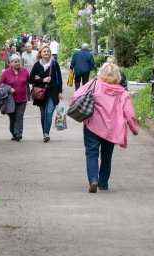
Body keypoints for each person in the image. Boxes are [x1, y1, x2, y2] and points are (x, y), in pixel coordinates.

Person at [69, 62, 139, 192]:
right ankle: (103, 183)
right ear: (117, 76)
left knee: (91, 153)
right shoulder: (121, 92)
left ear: (101, 72)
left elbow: (75, 97)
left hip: (92, 126)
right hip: (111, 129)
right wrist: (134, 129)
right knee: (107, 157)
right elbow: (129, 113)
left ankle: (93, 179)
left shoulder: (93, 84)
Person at [29, 45, 63, 143]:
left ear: (50, 53)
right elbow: (31, 78)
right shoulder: (37, 65)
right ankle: (45, 132)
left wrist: (60, 92)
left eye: (48, 51)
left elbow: (59, 79)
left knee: (49, 113)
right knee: (43, 114)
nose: (46, 53)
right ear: (40, 53)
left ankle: (46, 133)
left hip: (52, 92)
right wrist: (42, 79)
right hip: (40, 93)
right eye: (44, 51)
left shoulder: (54, 64)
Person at [0, 54, 31, 141]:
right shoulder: (6, 73)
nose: (17, 63)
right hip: (10, 100)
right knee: (12, 117)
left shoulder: (24, 71)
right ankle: (14, 133)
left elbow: (30, 80)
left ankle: (19, 134)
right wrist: (9, 88)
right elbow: (0, 84)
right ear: (11, 63)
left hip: (22, 98)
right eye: (15, 62)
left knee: (19, 116)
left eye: (18, 61)